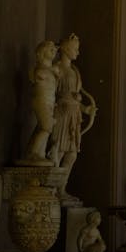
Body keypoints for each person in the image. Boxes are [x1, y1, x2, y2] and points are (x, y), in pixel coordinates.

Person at [48, 33, 96, 190]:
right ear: (66, 49)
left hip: (74, 114)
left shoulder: (75, 70)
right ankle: (53, 190)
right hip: (62, 113)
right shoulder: (56, 69)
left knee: (72, 154)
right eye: (75, 49)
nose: (78, 52)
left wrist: (86, 109)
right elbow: (49, 91)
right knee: (59, 151)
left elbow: (74, 97)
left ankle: (62, 188)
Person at [23, 40, 58, 163]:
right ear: (42, 53)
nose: (54, 51)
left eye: (54, 49)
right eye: (50, 49)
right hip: (41, 101)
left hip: (50, 102)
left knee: (42, 128)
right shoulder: (39, 70)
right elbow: (38, 75)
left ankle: (39, 154)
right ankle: (32, 153)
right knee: (46, 126)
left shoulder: (51, 70)